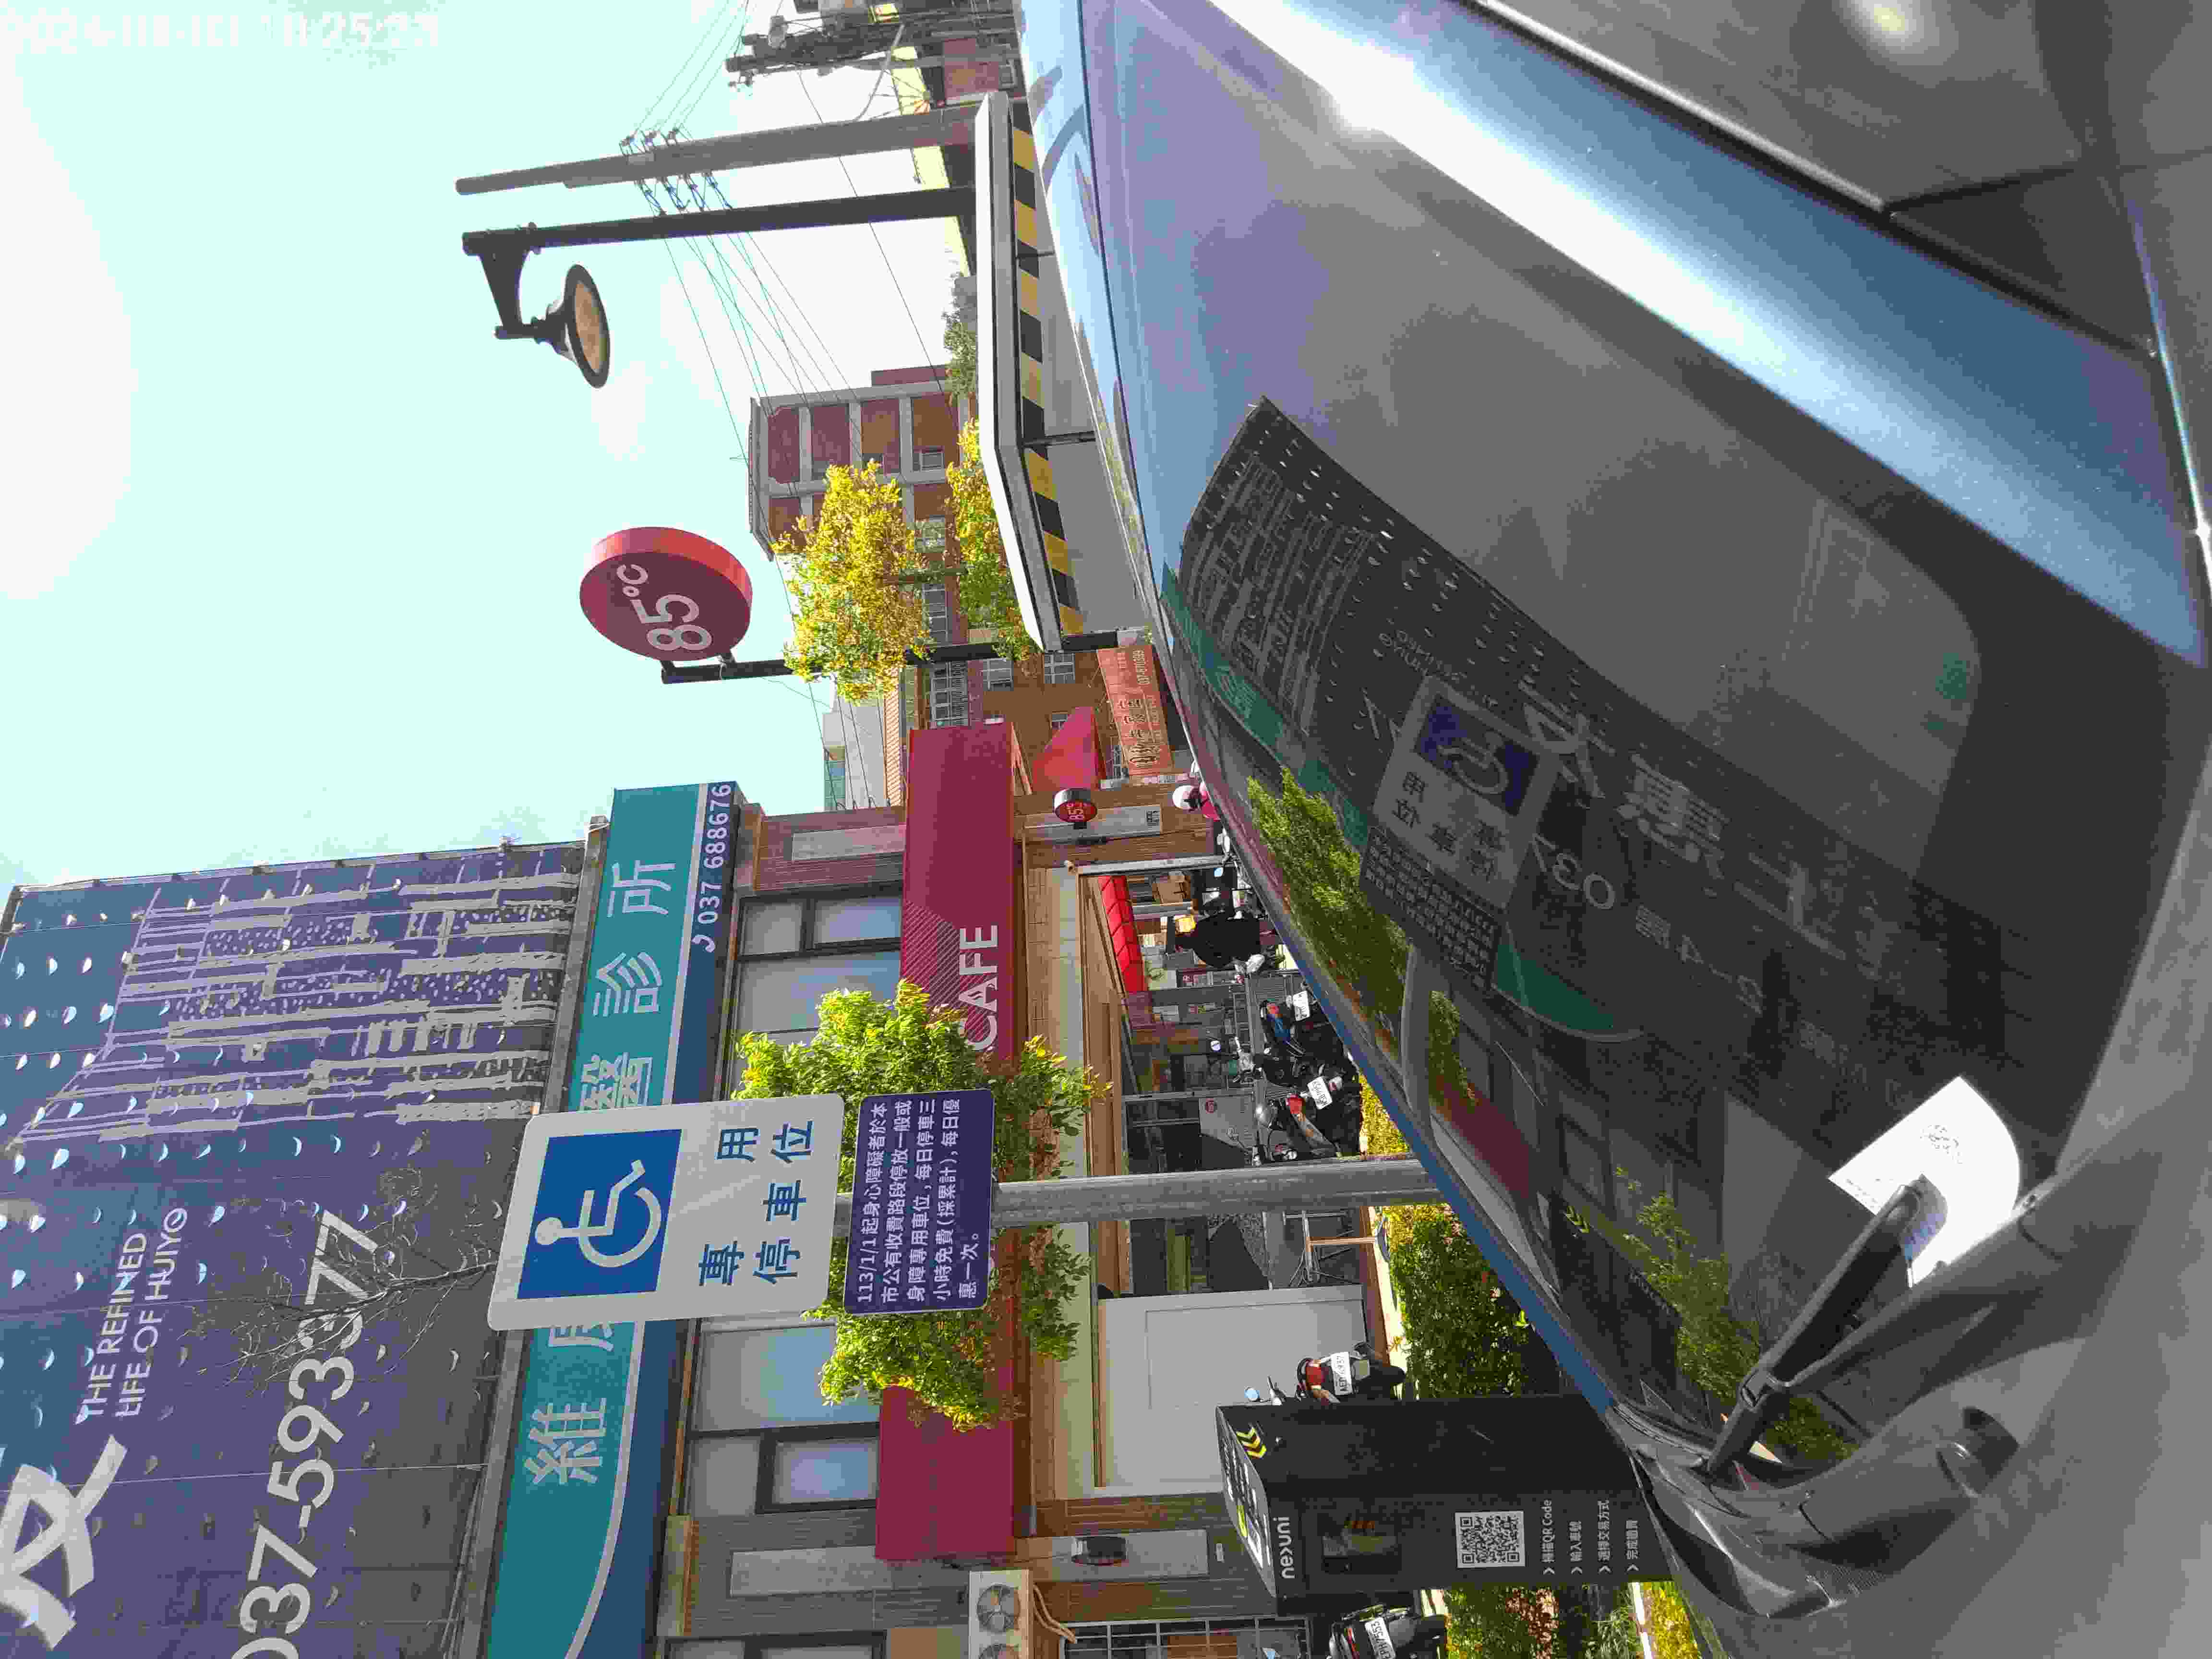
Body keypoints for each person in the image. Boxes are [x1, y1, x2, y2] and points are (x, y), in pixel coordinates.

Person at [1179, 908, 1263, 970]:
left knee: (1268, 940)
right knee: (1268, 925)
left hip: (1245, 948)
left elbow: (1218, 963)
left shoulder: (1200, 952)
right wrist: (1237, 910)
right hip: (1244, 927)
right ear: (1186, 935)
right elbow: (1219, 917)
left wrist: (1232, 959)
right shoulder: (1200, 927)